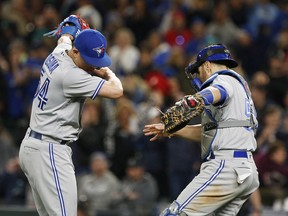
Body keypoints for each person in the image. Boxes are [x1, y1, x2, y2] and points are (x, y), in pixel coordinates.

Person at [18, 15, 123, 216]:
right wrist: (107, 72)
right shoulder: (72, 75)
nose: (95, 65)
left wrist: (69, 30)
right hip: (50, 150)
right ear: (76, 51)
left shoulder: (59, 52)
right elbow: (117, 91)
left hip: (35, 144)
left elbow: (64, 37)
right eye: (92, 60)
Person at [143, 44, 259, 215]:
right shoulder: (242, 90)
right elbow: (211, 133)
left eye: (198, 71)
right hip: (245, 169)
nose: (199, 77)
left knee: (174, 213)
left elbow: (216, 92)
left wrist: (196, 100)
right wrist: (173, 130)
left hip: (225, 166)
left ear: (207, 65)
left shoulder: (222, 79)